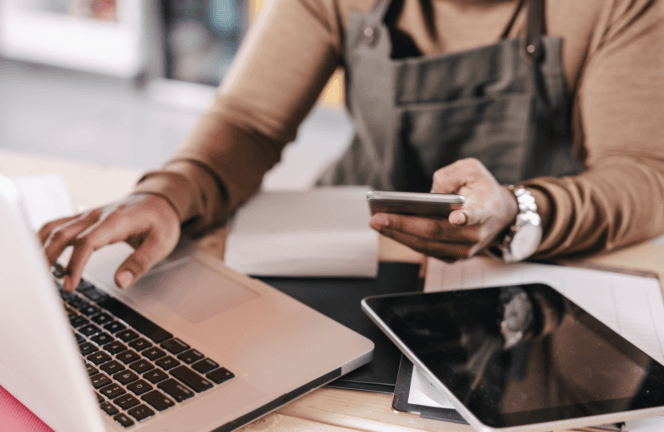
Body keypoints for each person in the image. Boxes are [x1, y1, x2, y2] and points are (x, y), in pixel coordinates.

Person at [39, 0, 664, 292]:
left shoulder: (618, 6)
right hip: (347, 248)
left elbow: (643, 175)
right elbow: (251, 119)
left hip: (529, 269)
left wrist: (519, 213)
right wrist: (170, 193)